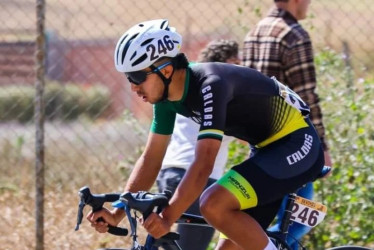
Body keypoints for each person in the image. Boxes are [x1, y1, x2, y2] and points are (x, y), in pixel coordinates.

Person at [87, 19, 325, 250]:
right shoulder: (166, 99)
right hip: (266, 150)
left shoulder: (211, 84)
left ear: (166, 70)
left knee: (213, 203)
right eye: (129, 78)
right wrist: (117, 212)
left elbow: (203, 164)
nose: (133, 87)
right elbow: (151, 159)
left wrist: (168, 218)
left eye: (137, 77)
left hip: (297, 144)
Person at [242, 0, 332, 248]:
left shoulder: (254, 32)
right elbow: (307, 97)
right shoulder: (294, 35)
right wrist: (322, 148)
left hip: (260, 147)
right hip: (295, 145)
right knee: (295, 225)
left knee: (272, 218)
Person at [157, 39, 239, 250]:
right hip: (199, 179)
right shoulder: (222, 93)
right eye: (237, 62)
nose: (241, 67)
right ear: (225, 63)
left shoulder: (186, 94)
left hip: (168, 174)